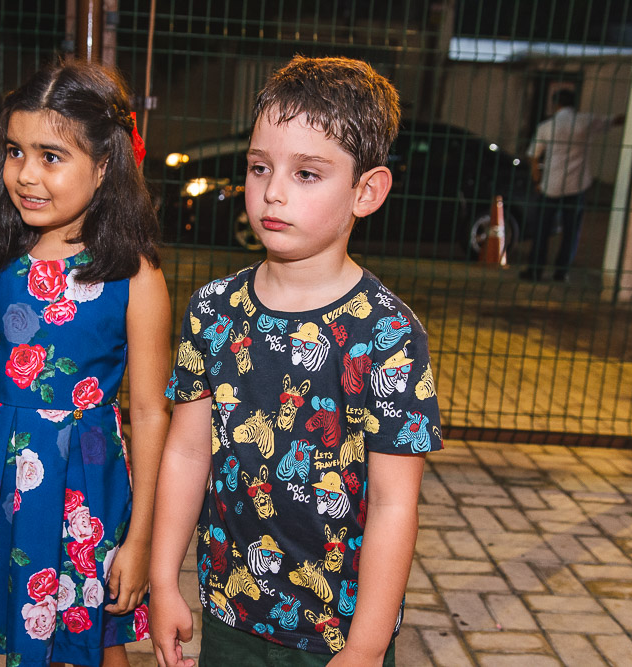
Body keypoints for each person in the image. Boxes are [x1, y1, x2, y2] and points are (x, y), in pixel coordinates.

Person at [150, 56, 445, 667]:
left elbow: (395, 504)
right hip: (229, 611)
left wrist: (366, 647)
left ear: (367, 192)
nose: (273, 191)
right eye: (260, 167)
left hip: (339, 634)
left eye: (307, 173)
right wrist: (162, 578)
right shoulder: (212, 309)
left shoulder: (388, 334)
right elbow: (186, 452)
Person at [0, 61, 170, 667]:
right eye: (15, 151)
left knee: (95, 643)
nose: (26, 175)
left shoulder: (134, 275)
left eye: (51, 156)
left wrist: (141, 538)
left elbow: (148, 411)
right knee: (14, 631)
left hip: (85, 488)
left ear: (105, 165)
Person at [520, 88, 622, 282]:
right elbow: (613, 120)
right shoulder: (585, 121)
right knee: (571, 231)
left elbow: (533, 156)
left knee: (542, 230)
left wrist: (537, 180)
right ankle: (562, 271)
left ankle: (535, 270)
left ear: (555, 105)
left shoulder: (547, 126)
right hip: (577, 185)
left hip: (551, 185)